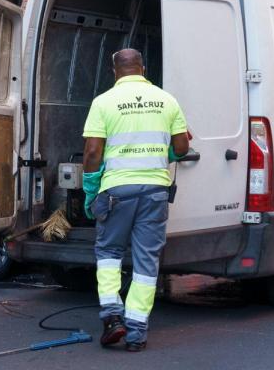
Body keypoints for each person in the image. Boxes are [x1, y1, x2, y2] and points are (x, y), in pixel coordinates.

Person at [81, 48, 189, 352]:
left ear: (114, 72)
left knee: (109, 252)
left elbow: (93, 152)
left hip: (116, 190)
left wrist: (91, 190)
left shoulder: (103, 102)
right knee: (146, 259)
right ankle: (137, 332)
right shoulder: (167, 100)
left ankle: (112, 318)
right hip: (155, 190)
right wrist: (162, 154)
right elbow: (182, 146)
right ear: (143, 69)